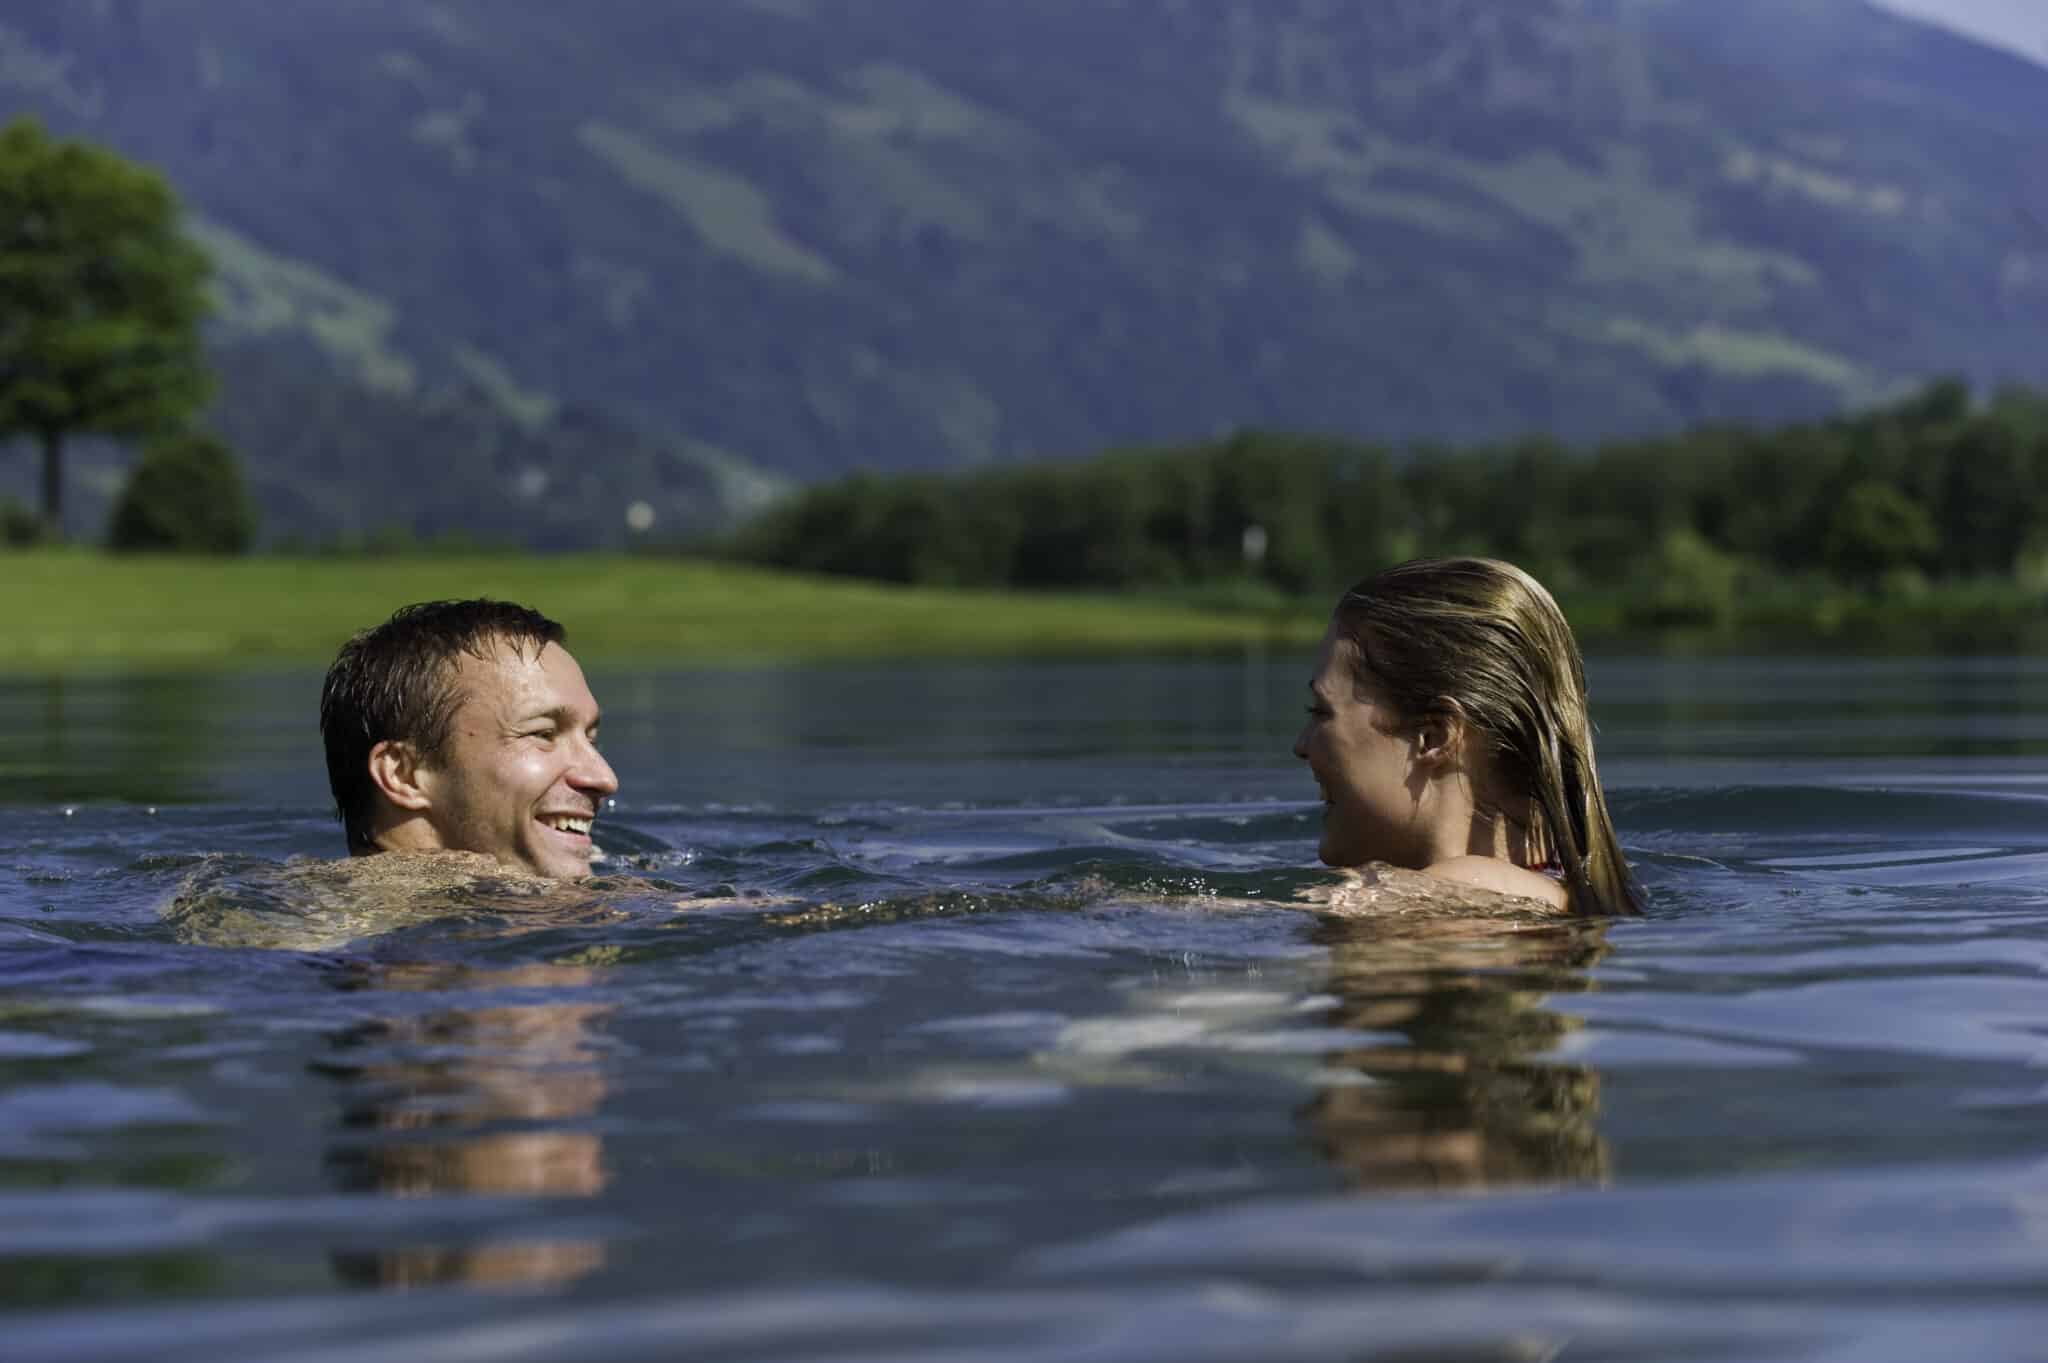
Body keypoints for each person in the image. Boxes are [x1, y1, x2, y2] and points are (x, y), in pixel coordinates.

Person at [1293, 557, 1641, 916]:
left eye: (1321, 712)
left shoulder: (1466, 884)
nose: (1300, 746)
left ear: (1433, 738)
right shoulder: (1551, 884)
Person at [319, 599, 619, 880]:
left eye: (590, 740)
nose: (604, 778)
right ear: (403, 774)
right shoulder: (325, 924)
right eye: (542, 734)